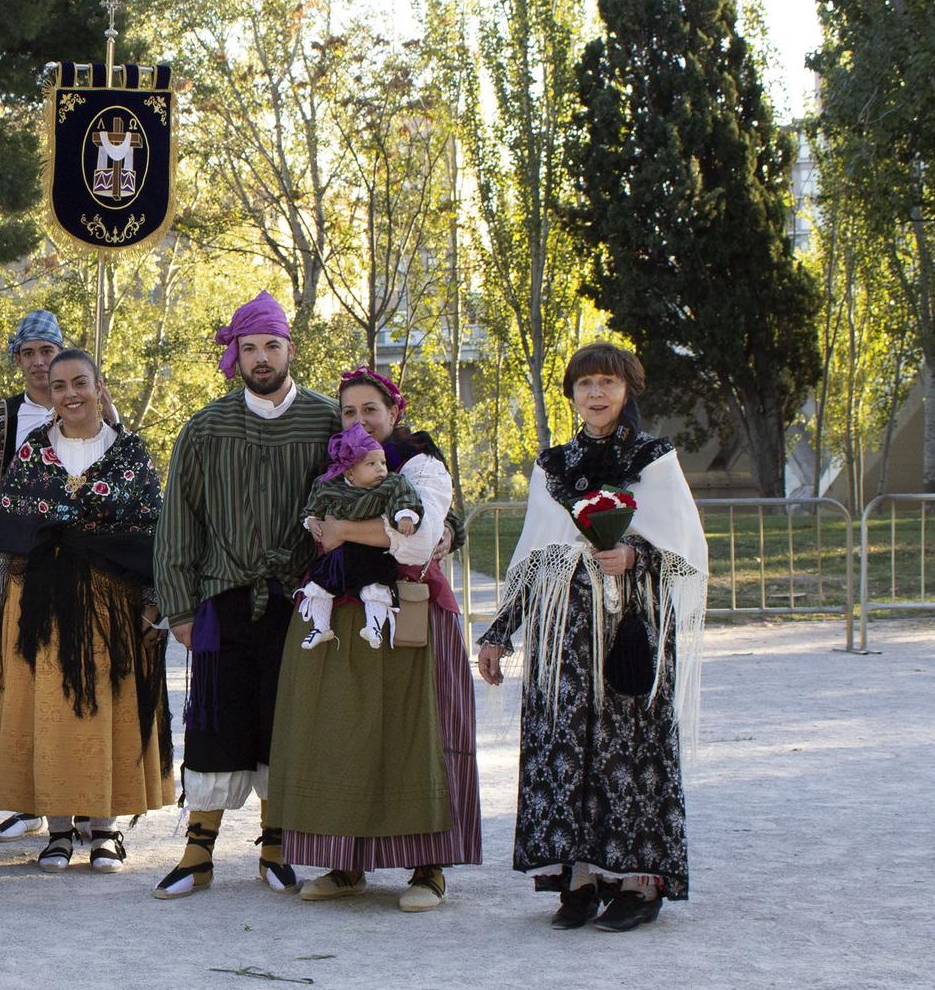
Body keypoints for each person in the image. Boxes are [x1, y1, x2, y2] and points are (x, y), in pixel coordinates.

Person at [477, 343, 705, 932]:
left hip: (630, 630)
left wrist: (635, 554)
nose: (596, 394)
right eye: (584, 385)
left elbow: (685, 549)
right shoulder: (553, 466)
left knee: (629, 750)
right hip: (564, 636)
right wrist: (500, 633)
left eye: (607, 382)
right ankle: (578, 878)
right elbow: (534, 554)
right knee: (565, 748)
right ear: (572, 394)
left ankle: (637, 881)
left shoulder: (655, 459)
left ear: (627, 389)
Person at [270, 367, 482, 912]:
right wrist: (334, 530)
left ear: (394, 413)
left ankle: (429, 866)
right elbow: (315, 527)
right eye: (349, 411)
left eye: (371, 409)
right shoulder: (333, 466)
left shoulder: (419, 464)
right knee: (346, 735)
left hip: (411, 613)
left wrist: (344, 530)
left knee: (419, 735)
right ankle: (346, 865)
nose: (360, 420)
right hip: (345, 613)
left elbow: (419, 542)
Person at [152, 290, 338, 898]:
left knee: (286, 722)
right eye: (251, 347)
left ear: (290, 348)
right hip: (221, 597)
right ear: (236, 352)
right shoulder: (206, 427)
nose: (262, 358)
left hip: (303, 599)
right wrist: (180, 606)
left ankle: (276, 847)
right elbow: (180, 519)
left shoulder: (325, 422)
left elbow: (376, 483)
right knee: (213, 720)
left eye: (272, 346)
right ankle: (197, 852)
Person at [0, 349, 173, 872]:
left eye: (79, 382)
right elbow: (10, 538)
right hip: (42, 608)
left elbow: (155, 537)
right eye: (59, 385)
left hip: (114, 608)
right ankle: (59, 830)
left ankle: (105, 831)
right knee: (50, 713)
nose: (70, 394)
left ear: (99, 385)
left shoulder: (131, 454)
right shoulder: (32, 455)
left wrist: (155, 605)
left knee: (106, 709)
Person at [0, 309, 66, 841]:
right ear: (17, 359)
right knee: (11, 675)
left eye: (48, 351)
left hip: (73, 563)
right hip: (9, 562)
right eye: (29, 353)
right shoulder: (4, 417)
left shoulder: (91, 405)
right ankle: (23, 796)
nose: (40, 363)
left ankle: (75, 797)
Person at [292, 424, 424, 649]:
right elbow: (312, 508)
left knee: (376, 587)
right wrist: (313, 522)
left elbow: (405, 497)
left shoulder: (390, 483)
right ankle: (320, 627)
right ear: (350, 472)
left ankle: (374, 627)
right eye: (371, 464)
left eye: (382, 462)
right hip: (340, 552)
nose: (381, 469)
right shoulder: (329, 486)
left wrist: (405, 517)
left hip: (371, 551)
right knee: (320, 584)